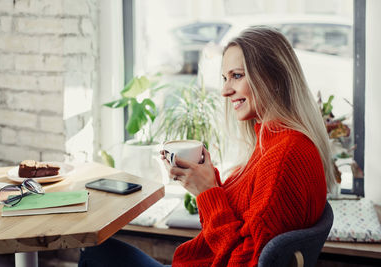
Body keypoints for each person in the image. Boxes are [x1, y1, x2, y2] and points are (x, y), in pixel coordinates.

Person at [78, 26, 335, 267]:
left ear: (273, 76)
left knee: (95, 252)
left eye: (236, 76)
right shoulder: (275, 141)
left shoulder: (284, 155)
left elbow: (243, 261)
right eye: (224, 78)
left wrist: (207, 192)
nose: (225, 90)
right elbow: (245, 223)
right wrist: (204, 183)